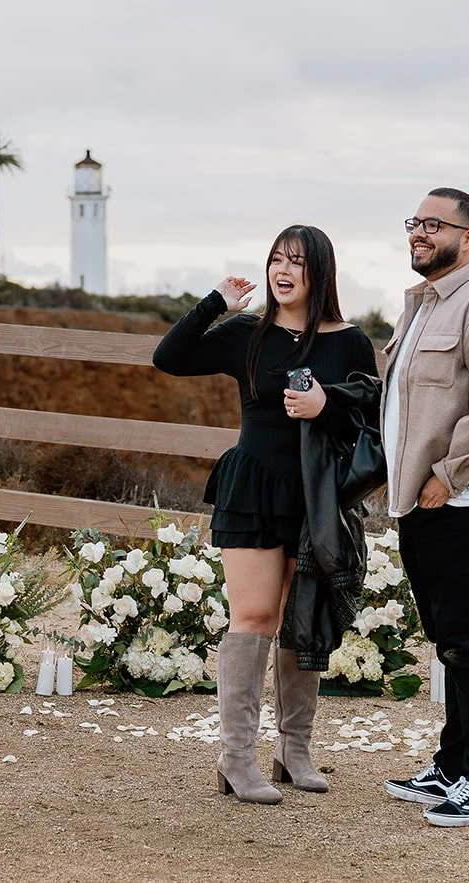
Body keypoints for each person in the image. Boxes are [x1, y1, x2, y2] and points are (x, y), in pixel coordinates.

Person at [153, 225, 377, 805]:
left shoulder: (350, 340)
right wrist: (215, 303)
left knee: (300, 618)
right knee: (253, 616)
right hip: (252, 487)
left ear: (319, 273)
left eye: (296, 262)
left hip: (315, 497)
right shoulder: (246, 334)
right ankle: (236, 760)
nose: (283, 270)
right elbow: (168, 357)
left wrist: (326, 405)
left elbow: (372, 413)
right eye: (276, 258)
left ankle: (293, 750)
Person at [379, 187, 469, 827]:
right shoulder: (419, 307)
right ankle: (452, 764)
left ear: (468, 238)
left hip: (463, 500)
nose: (419, 232)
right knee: (448, 642)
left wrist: (447, 473)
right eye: (415, 221)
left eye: (433, 224)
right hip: (422, 503)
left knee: (468, 644)